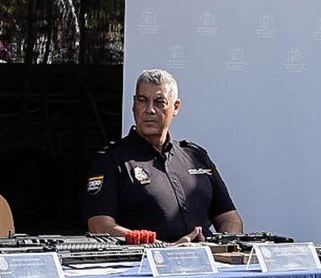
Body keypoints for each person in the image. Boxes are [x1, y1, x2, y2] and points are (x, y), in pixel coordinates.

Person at [86, 68, 243, 242]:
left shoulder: (195, 156)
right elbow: (100, 225)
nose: (149, 110)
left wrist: (220, 245)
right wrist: (164, 249)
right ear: (134, 104)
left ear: (175, 107)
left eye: (159, 102)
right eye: (142, 101)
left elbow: (230, 218)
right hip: (144, 265)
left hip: (205, 263)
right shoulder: (112, 159)